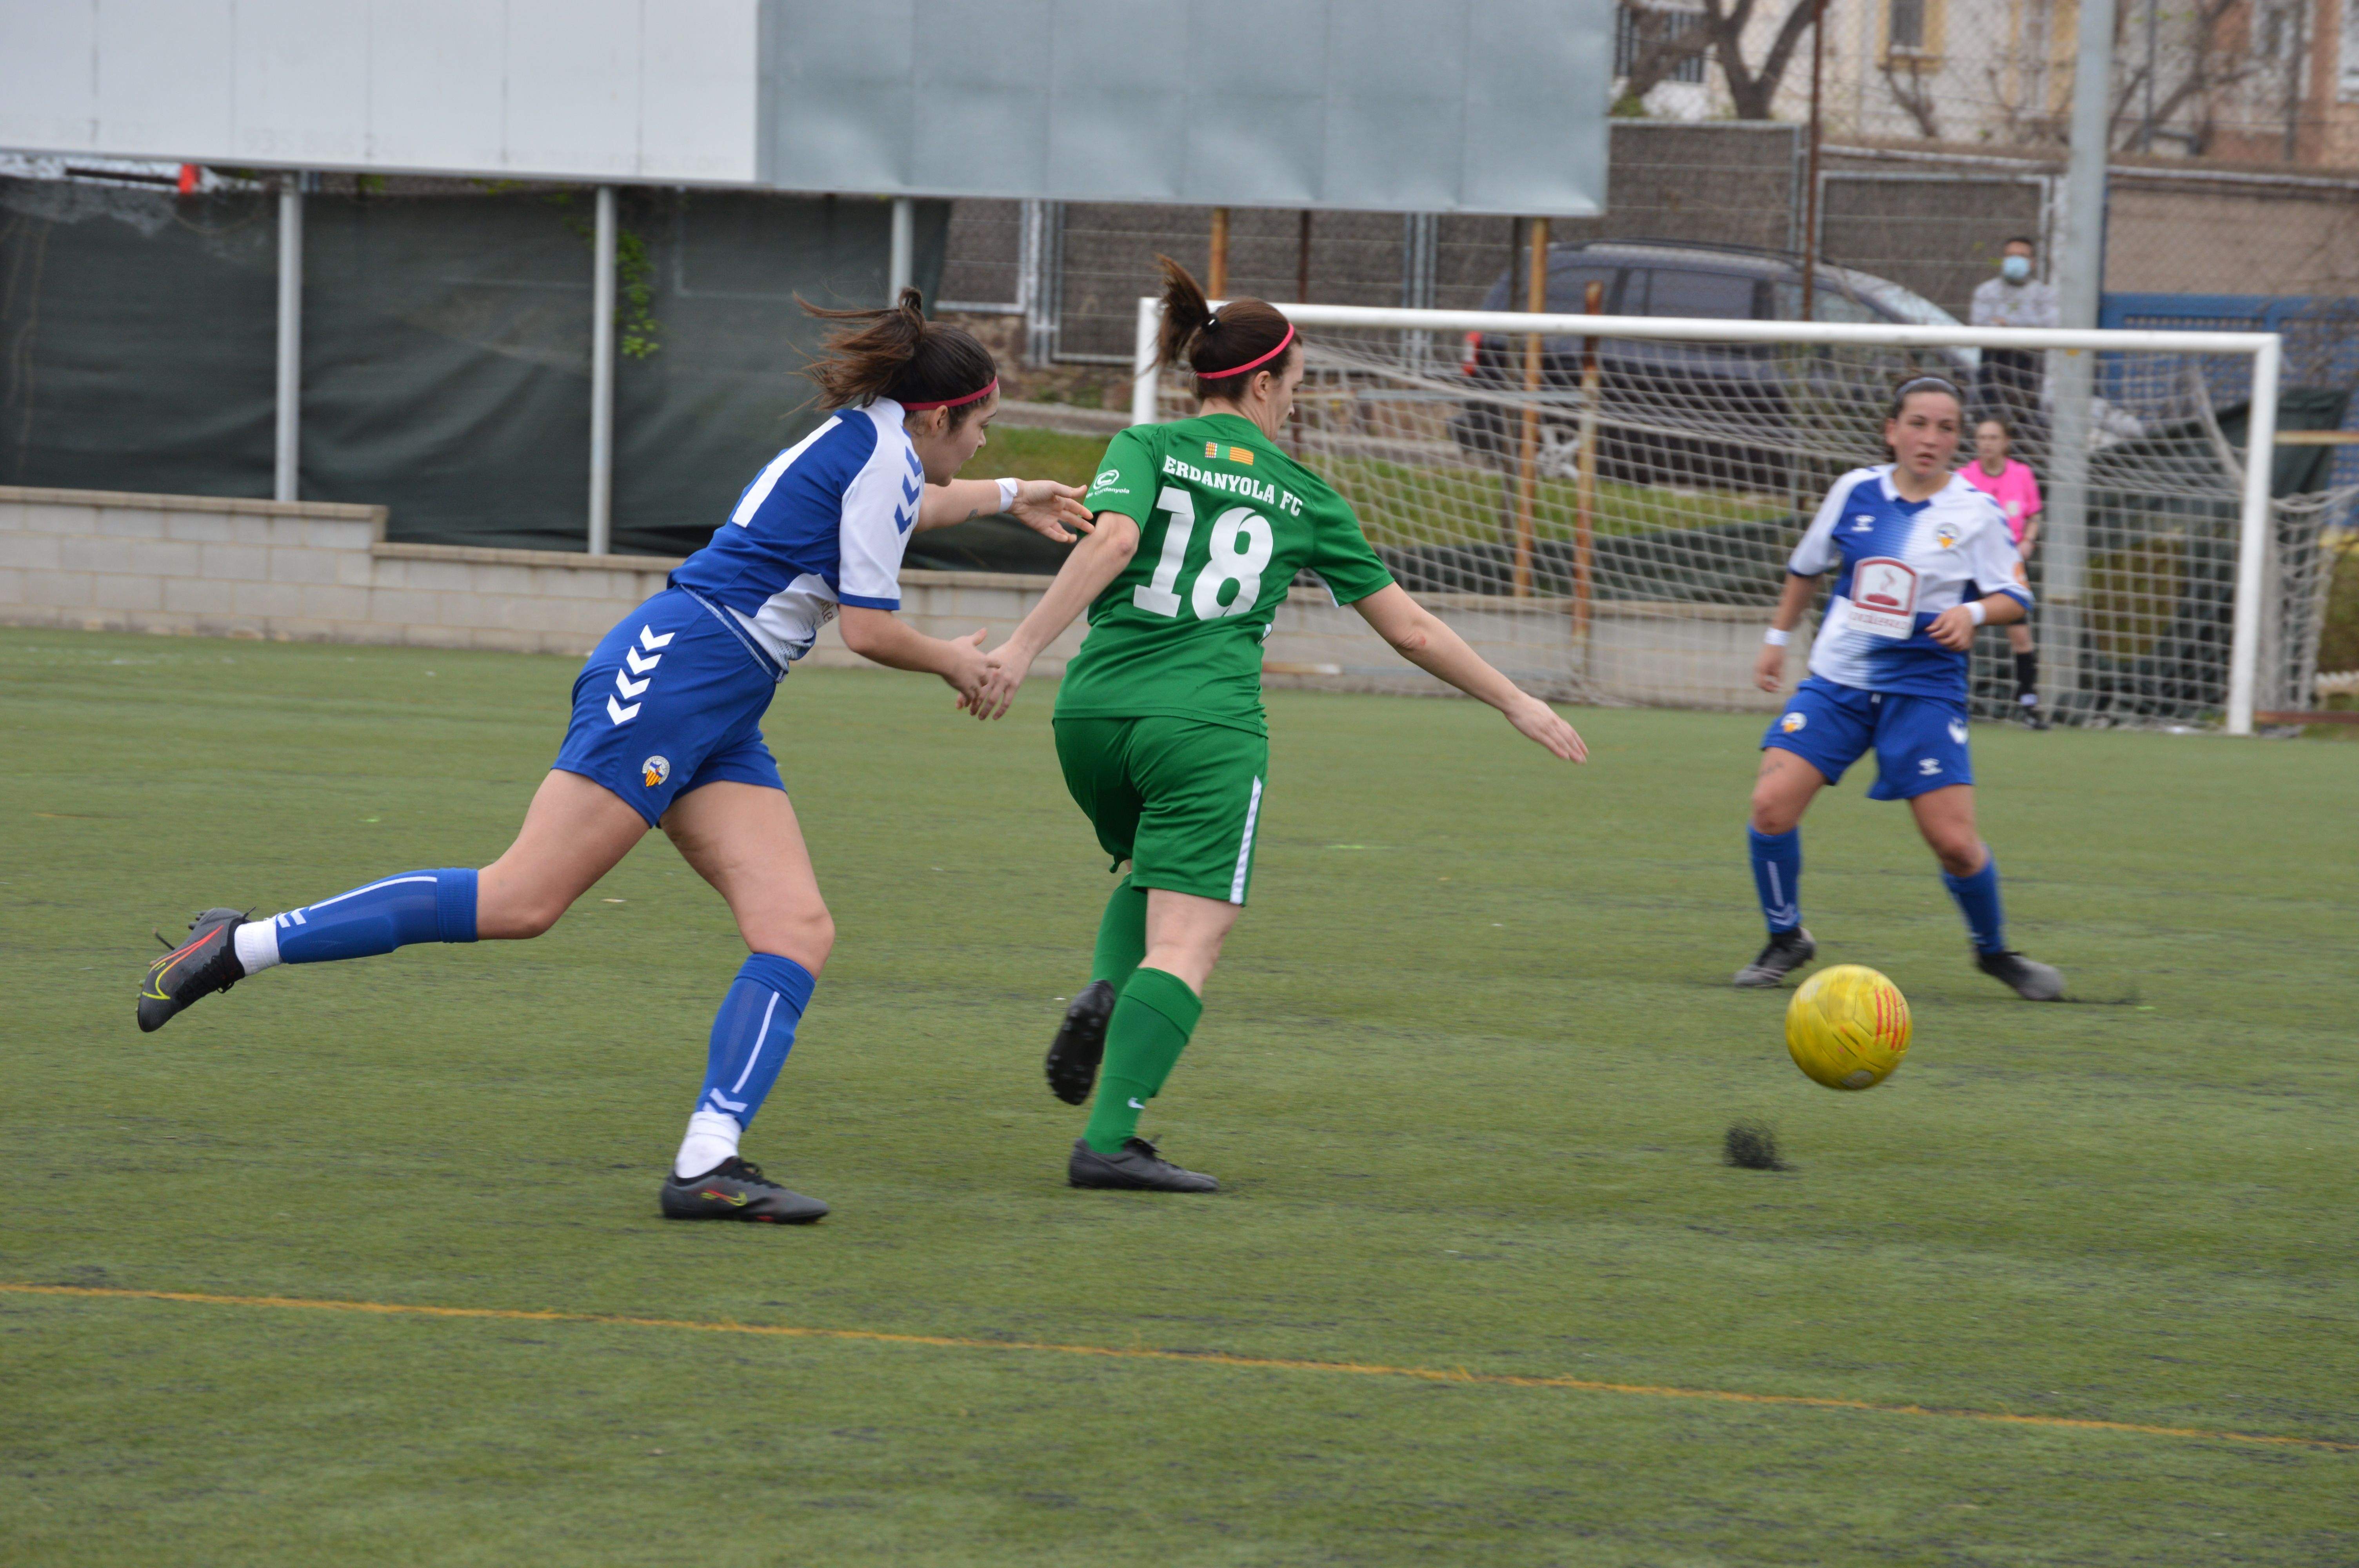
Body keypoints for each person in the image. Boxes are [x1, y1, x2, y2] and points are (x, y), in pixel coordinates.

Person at [138, 290, 1092, 1224]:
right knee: (520, 899)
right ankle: (239, 945)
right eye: (981, 430)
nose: (981, 444)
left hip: (722, 696)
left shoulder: (873, 441)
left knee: (795, 928)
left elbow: (911, 508)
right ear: (935, 415)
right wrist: (958, 664)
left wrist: (1015, 495)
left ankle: (706, 1164)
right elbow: (873, 630)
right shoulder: (882, 454)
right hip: (679, 669)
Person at [962, 257, 1589, 1194]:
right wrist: (1516, 699)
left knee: (1153, 875)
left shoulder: (1145, 448)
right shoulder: (1303, 496)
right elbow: (1409, 629)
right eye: (1294, 386)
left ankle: (1104, 986)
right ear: (1260, 383)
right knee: (1189, 940)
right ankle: (1110, 1139)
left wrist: (1018, 648)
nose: (1297, 404)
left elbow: (1118, 539)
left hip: (1091, 715)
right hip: (1205, 729)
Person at [1736, 374, 2064, 1000]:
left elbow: (2016, 596)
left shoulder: (1974, 511)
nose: (1930, 438)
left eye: (1945, 428)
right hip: (1838, 683)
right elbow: (1807, 567)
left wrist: (1972, 615)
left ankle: (1995, 953)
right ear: (1892, 431)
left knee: (1955, 845)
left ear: (1957, 441)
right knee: (1770, 806)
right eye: (1918, 424)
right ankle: (1786, 936)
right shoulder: (1855, 491)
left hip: (1924, 689)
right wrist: (1777, 640)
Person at [1957, 414, 2048, 728]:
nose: (1986, 444)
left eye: (1993, 438)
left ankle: (2029, 705)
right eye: (1982, 438)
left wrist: (2028, 540)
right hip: (1973, 564)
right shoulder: (1964, 477)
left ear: (2006, 442)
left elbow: (2034, 515)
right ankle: (1955, 701)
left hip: (2009, 565)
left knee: (2021, 637)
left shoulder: (2021, 475)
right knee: (1962, 632)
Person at [1968, 237, 2058, 429]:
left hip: (2029, 368)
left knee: (2026, 426)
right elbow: (1979, 326)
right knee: (1989, 422)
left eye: (2022, 256)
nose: (2015, 261)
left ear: (2033, 263)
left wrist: (2006, 325)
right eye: (2010, 256)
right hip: (1993, 368)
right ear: (2003, 260)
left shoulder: (2045, 294)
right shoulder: (1986, 292)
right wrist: (2026, 328)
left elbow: (2049, 328)